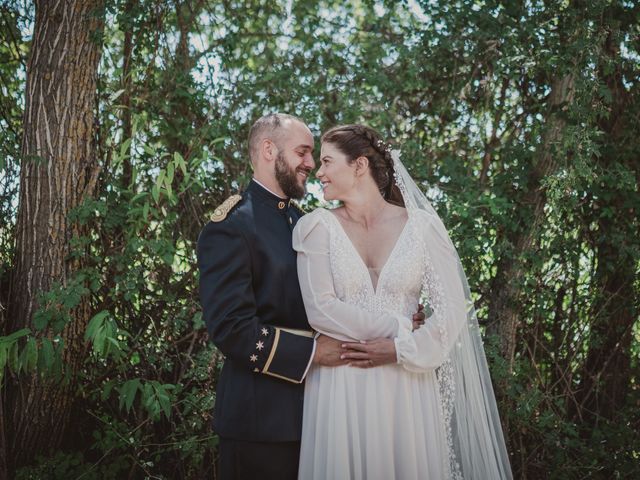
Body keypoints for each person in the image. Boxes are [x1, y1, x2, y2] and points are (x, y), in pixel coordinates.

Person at [293, 124, 513, 479]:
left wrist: (400, 350)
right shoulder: (316, 227)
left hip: (406, 383)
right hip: (342, 384)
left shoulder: (422, 228)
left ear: (359, 165)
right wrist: (397, 328)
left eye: (327, 161)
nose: (319, 172)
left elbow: (454, 307)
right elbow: (320, 309)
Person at [196, 113, 344, 480]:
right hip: (258, 421)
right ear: (268, 150)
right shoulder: (231, 227)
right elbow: (231, 328)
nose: (311, 163)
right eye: (303, 152)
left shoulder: (303, 224)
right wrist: (312, 352)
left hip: (315, 412)